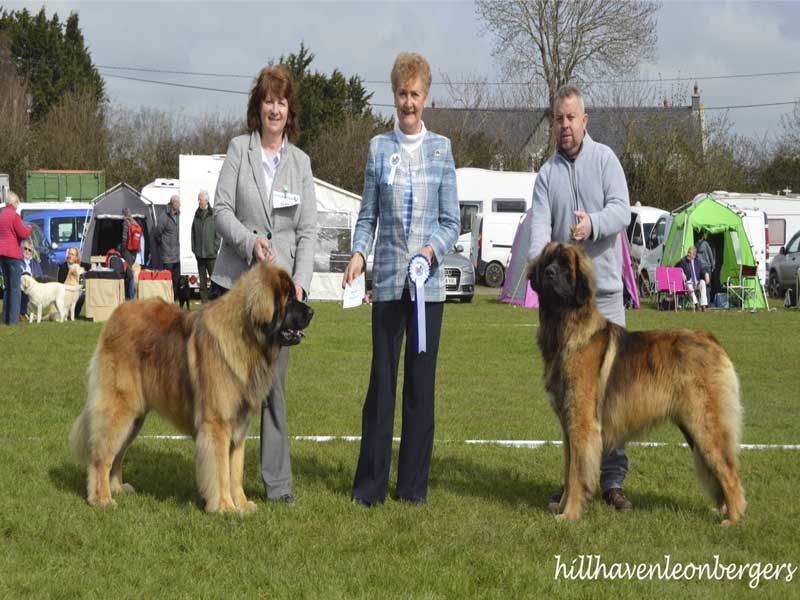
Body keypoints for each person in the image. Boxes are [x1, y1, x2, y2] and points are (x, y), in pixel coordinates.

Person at [343, 52, 460, 507]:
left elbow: (451, 220)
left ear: (425, 97)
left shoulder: (442, 149)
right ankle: (369, 487)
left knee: (420, 388)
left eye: (415, 94)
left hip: (427, 290)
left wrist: (429, 252)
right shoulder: (377, 148)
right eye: (401, 94)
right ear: (393, 96)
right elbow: (367, 215)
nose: (408, 102)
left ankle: (412, 488)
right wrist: (358, 252)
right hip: (389, 285)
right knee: (381, 385)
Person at [212, 64, 317, 504]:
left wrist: (302, 287)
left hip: (278, 301)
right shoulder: (239, 150)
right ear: (258, 106)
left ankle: (278, 488)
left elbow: (309, 230)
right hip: (235, 291)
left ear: (289, 110)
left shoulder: (301, 162)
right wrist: (248, 240)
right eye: (268, 100)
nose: (275, 108)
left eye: (282, 101)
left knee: (272, 391)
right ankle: (220, 484)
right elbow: (220, 210)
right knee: (223, 389)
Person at [527, 84, 633, 512]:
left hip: (604, 298)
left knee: (612, 399)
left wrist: (595, 224)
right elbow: (538, 229)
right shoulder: (546, 175)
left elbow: (623, 210)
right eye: (559, 119)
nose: (565, 126)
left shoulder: (606, 160)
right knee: (571, 401)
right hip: (562, 310)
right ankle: (574, 485)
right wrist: (538, 266)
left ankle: (611, 482)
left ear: (585, 121)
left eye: (571, 118)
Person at [0, 191, 33, 325]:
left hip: (2, 255)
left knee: (7, 288)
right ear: (14, 202)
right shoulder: (14, 215)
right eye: (17, 203)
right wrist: (29, 228)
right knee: (15, 289)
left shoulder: (1, 215)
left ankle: (5, 318)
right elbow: (22, 233)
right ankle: (13, 321)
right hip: (13, 255)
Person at [191, 190, 220, 303]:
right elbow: (192, 233)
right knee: (202, 283)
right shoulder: (196, 215)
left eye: (200, 199)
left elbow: (218, 234)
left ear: (206, 201)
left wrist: (215, 248)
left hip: (211, 255)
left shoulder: (213, 215)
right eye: (198, 199)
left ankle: (216, 302)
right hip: (200, 255)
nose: (198, 201)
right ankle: (204, 304)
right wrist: (194, 249)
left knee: (214, 280)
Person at [157, 195, 181, 302]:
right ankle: (167, 299)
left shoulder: (179, 215)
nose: (179, 205)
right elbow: (157, 232)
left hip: (177, 255)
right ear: (173, 204)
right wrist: (162, 244)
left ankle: (173, 300)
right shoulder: (164, 216)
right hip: (167, 254)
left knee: (176, 280)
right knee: (167, 280)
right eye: (178, 203)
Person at [58, 246, 90, 317]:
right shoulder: (63, 267)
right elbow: (60, 284)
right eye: (69, 254)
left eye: (72, 254)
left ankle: (75, 314)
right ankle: (67, 313)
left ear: (76, 257)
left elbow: (89, 266)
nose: (70, 256)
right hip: (66, 292)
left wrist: (93, 266)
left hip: (76, 290)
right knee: (80, 293)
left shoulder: (79, 265)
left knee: (82, 294)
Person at [19, 238, 43, 321]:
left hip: (34, 288)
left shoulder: (35, 262)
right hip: (22, 287)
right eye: (25, 248)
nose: (27, 252)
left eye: (30, 250)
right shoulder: (18, 261)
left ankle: (35, 313)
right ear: (21, 249)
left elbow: (40, 277)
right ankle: (22, 313)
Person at [678, 246, 708, 312]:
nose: (688, 254)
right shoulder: (683, 261)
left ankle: (703, 305)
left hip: (696, 282)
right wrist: (681, 272)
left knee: (702, 282)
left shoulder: (698, 261)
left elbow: (702, 270)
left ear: (694, 255)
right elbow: (677, 268)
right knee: (689, 284)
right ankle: (696, 304)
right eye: (688, 252)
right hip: (688, 283)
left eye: (690, 253)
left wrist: (706, 274)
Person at [695, 231, 715, 303]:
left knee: (701, 284)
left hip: (700, 267)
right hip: (707, 266)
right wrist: (713, 265)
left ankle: (702, 301)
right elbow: (710, 254)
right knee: (708, 285)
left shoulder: (695, 245)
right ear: (703, 236)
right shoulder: (706, 244)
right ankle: (708, 302)